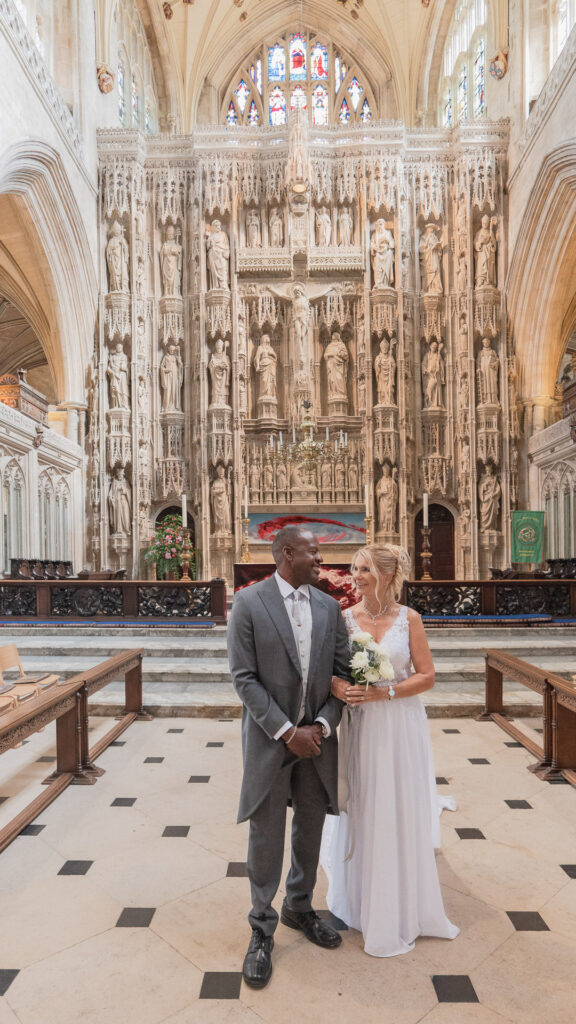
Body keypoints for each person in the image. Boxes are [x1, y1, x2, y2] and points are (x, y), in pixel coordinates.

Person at [227, 527, 351, 988]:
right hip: (269, 740)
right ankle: (261, 928)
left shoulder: (329, 606)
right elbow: (243, 678)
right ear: (285, 553)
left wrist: (319, 726)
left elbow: (341, 675)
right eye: (312, 551)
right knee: (267, 832)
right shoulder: (249, 603)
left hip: (316, 740)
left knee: (311, 826)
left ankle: (300, 905)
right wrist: (285, 731)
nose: (321, 557)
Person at [323, 544, 459, 958]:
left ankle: (401, 897)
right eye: (354, 569)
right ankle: (363, 894)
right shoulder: (344, 619)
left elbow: (427, 676)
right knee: (365, 801)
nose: (356, 576)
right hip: (362, 726)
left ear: (387, 574)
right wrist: (337, 686)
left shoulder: (409, 619)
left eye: (364, 569)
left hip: (399, 725)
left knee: (397, 802)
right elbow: (328, 671)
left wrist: (388, 692)